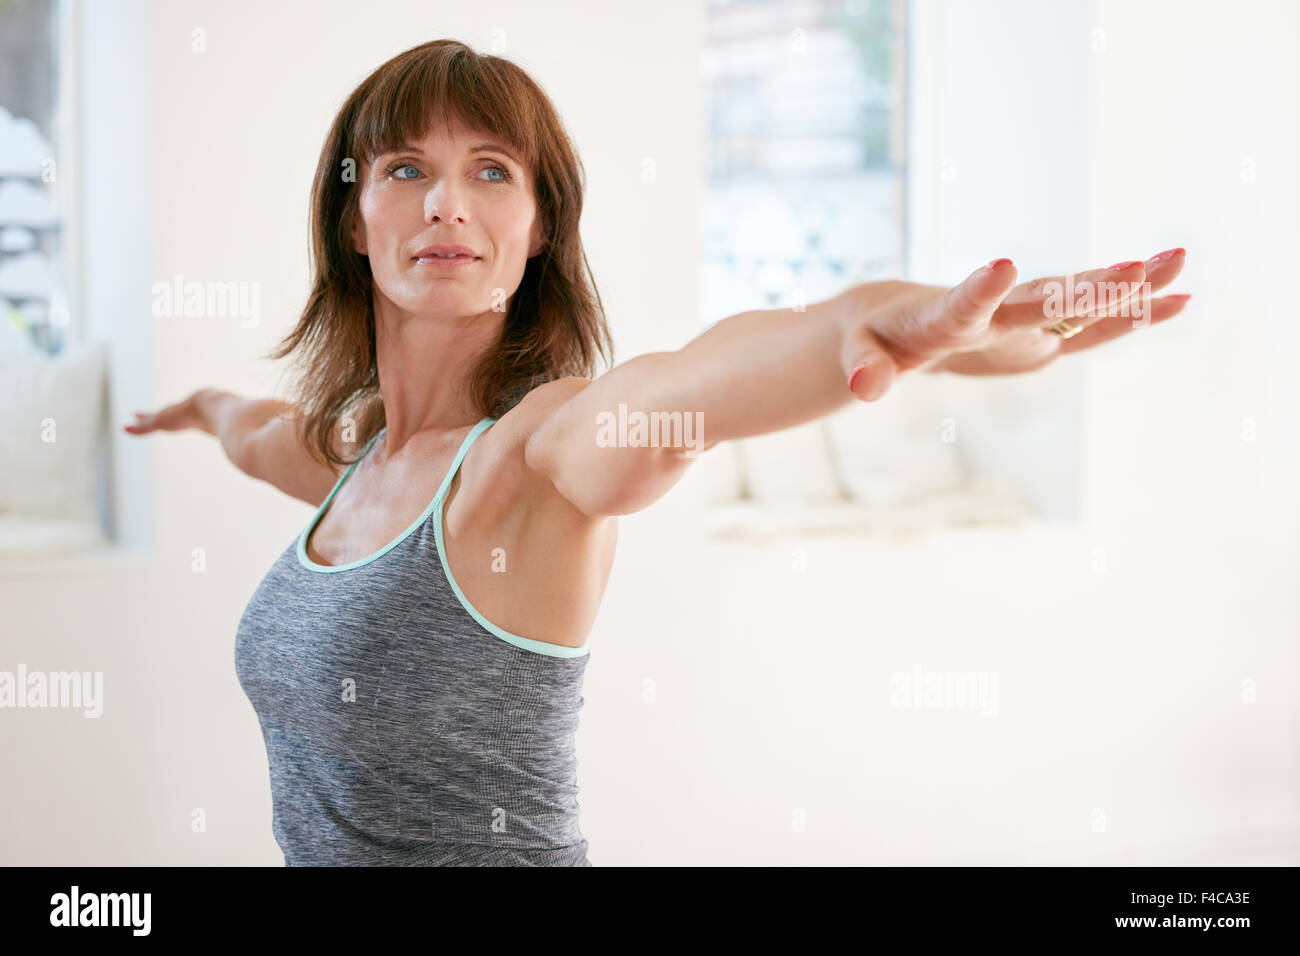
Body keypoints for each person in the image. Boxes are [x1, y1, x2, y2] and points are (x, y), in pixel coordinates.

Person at [124, 39, 1190, 866]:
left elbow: (694, 383)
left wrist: (886, 327)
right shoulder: (355, 459)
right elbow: (257, 430)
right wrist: (193, 406)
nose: (448, 201)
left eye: (492, 170)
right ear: (354, 216)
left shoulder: (538, 452)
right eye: (408, 168)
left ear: (539, 226)